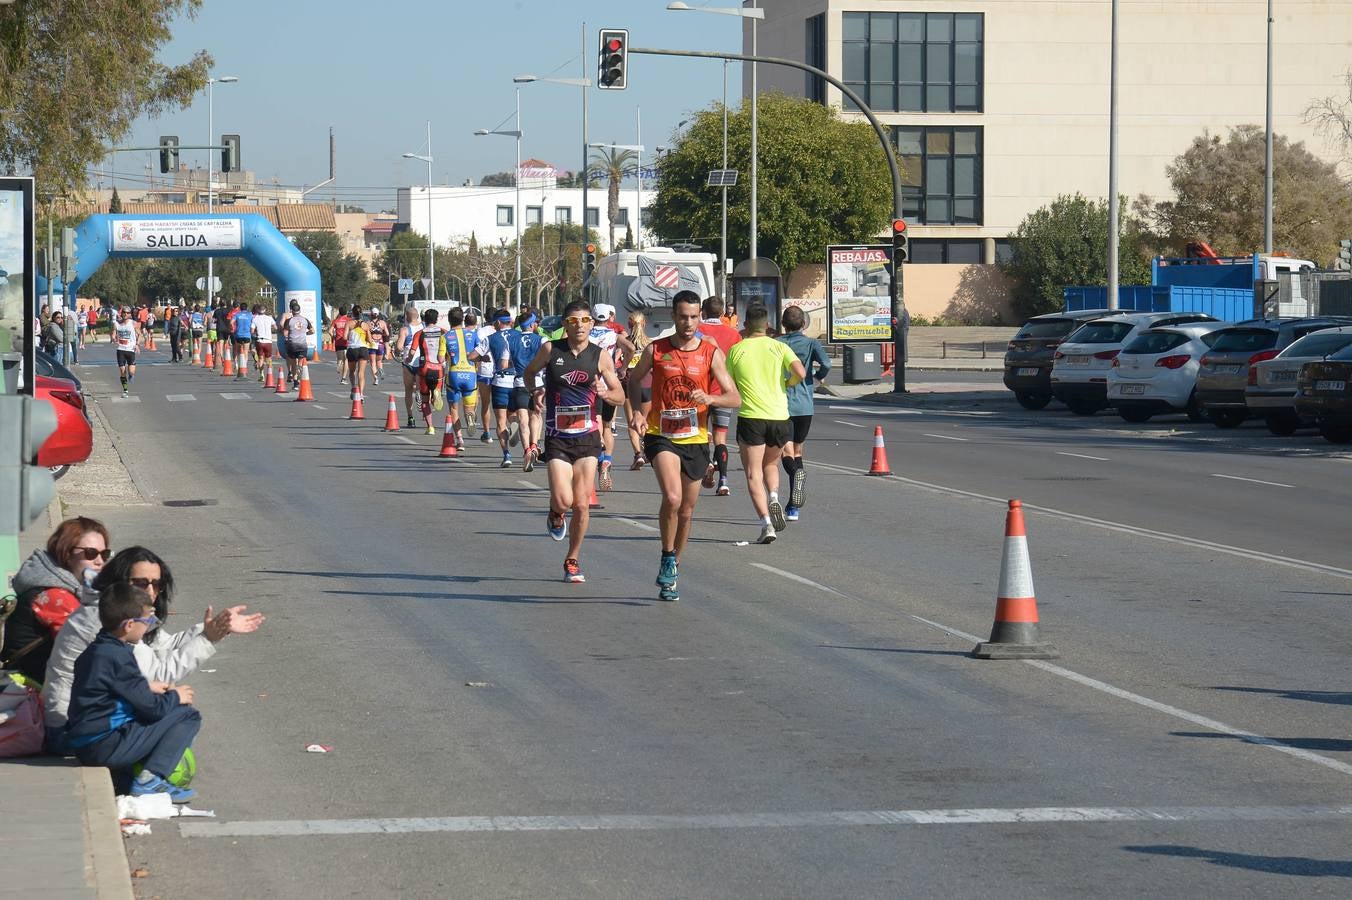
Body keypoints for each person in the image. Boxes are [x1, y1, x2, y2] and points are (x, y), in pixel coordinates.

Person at [43, 545, 265, 754]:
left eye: (156, 584)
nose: (150, 591)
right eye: (141, 583)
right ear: (120, 581)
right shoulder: (105, 620)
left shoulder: (115, 610)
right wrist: (207, 639)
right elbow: (159, 673)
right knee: (182, 714)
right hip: (70, 730)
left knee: (167, 707)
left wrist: (214, 628)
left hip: (89, 723)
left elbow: (163, 646)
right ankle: (150, 779)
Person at [627, 290, 740, 601]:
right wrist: (638, 411)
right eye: (682, 316)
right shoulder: (657, 349)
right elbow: (634, 380)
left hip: (695, 438)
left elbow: (734, 397)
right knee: (673, 497)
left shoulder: (710, 353)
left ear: (699, 317)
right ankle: (666, 554)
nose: (688, 322)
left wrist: (712, 398)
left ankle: (673, 566)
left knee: (687, 512)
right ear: (674, 317)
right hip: (660, 434)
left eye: (693, 317)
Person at [62, 582, 200, 802]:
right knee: (187, 714)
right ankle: (151, 780)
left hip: (85, 744)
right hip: (105, 746)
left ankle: (127, 775)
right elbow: (153, 710)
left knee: (157, 707)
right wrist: (176, 696)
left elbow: (106, 691)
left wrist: (147, 687)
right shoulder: (121, 657)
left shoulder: (95, 651)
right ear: (128, 625)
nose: (149, 626)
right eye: (146, 621)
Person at [523, 299, 626, 583]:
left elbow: (620, 395)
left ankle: (573, 559)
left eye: (584, 321)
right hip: (558, 437)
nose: (579, 326)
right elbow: (529, 373)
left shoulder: (600, 355)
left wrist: (605, 394)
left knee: (581, 504)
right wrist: (536, 392)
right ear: (564, 325)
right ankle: (556, 513)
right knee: (564, 500)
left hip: (588, 438)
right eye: (572, 321)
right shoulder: (550, 350)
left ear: (592, 324)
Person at [725, 304, 806, 544]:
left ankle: (766, 524)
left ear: (745, 324)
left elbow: (728, 383)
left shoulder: (736, 350)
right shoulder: (780, 347)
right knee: (771, 464)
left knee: (753, 473)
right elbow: (800, 372)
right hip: (779, 417)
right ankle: (773, 497)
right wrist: (788, 383)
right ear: (768, 325)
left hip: (752, 417)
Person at [2, 517, 109, 684]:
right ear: (67, 554)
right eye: (91, 553)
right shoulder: (55, 596)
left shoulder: (61, 585)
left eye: (105, 554)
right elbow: (86, 646)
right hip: (32, 692)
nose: (100, 561)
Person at [776, 306, 831, 521]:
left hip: (782, 404)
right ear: (804, 324)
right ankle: (793, 506)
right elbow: (826, 363)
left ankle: (793, 478)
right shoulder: (811, 344)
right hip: (805, 405)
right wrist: (817, 376)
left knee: (785, 451)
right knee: (798, 451)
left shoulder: (778, 344)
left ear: (783, 324)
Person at [697, 296, 743, 496]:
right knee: (720, 437)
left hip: (700, 392)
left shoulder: (697, 330)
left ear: (703, 312)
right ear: (723, 313)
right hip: (724, 392)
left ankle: (707, 462)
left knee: (700, 433)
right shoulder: (733, 334)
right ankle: (723, 480)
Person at [589, 304, 635, 490]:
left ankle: (599, 450)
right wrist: (623, 367)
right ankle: (607, 458)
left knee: (595, 419)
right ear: (609, 318)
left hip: (591, 383)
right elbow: (630, 348)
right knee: (609, 425)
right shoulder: (613, 336)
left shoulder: (586, 334)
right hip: (610, 383)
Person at [486, 308, 527, 468]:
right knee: (518, 415)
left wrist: (482, 357)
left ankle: (506, 455)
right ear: (510, 322)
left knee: (500, 421)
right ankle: (527, 450)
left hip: (500, 382)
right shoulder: (520, 336)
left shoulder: (490, 338)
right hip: (518, 382)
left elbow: (472, 355)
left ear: (497, 323)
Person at [442, 307, 481, 451]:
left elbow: (440, 358)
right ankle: (470, 417)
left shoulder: (445, 337)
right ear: (463, 320)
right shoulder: (473, 334)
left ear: (449, 320)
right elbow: (479, 354)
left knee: (453, 408)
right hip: (470, 374)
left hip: (453, 375)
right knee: (469, 407)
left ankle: (460, 439)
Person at [514, 310, 545, 471]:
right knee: (536, 415)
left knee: (522, 418)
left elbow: (505, 362)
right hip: (538, 382)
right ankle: (534, 445)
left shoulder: (513, 340)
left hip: (519, 382)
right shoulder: (542, 340)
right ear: (532, 325)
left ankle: (526, 449)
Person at [407, 308, 445, 434]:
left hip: (424, 369)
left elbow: (412, 352)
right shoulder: (443, 332)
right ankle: (437, 393)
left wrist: (408, 359)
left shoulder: (420, 333)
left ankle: (430, 427)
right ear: (437, 319)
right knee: (436, 392)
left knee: (424, 399)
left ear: (424, 320)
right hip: (439, 369)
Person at [624, 311, 653, 470]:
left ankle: (638, 454)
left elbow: (618, 362)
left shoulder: (625, 343)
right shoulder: (650, 343)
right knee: (645, 421)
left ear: (629, 324)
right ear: (644, 324)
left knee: (632, 422)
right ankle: (647, 447)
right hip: (648, 384)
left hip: (630, 385)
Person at [396, 303, 422, 429]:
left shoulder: (404, 330)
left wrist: (396, 350)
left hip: (408, 363)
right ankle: (420, 393)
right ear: (418, 317)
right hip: (421, 362)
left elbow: (399, 347)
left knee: (408, 391)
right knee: (422, 388)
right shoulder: (424, 328)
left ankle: (410, 417)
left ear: (406, 317)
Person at [278, 299, 314, 388]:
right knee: (300, 362)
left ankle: (295, 382)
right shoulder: (305, 320)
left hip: (292, 344)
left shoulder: (289, 320)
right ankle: (300, 369)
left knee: (293, 363)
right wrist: (305, 333)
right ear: (299, 310)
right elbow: (312, 331)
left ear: (292, 311)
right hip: (302, 345)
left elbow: (285, 333)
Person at [474, 311, 498, 443]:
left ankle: (487, 432)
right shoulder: (504, 332)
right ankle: (505, 427)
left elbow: (476, 351)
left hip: (484, 371)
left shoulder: (481, 332)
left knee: (485, 403)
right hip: (500, 370)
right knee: (501, 404)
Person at [344, 305, 373, 401]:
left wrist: (350, 336)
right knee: (361, 373)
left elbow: (344, 337)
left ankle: (353, 387)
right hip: (363, 349)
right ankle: (361, 394)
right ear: (361, 314)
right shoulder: (365, 325)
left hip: (352, 349)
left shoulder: (349, 323)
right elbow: (369, 339)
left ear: (352, 313)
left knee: (352, 371)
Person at [112, 306, 138, 397]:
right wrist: (113, 338)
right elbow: (113, 334)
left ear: (130, 314)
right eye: (124, 312)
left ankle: (131, 375)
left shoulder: (133, 323)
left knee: (131, 371)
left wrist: (137, 344)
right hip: (121, 349)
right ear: (121, 313)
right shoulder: (116, 324)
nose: (125, 314)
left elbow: (138, 334)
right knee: (122, 371)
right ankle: (125, 390)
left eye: (127, 313)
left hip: (130, 349)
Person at [252, 302, 277, 380]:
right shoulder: (269, 318)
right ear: (265, 310)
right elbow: (275, 327)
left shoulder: (255, 318)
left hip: (260, 340)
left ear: (258, 310)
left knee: (260, 358)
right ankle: (269, 374)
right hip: (268, 341)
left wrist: (256, 332)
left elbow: (252, 331)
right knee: (269, 359)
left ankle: (261, 375)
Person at [231, 301, 254, 380]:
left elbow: (231, 322)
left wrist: (233, 328)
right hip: (247, 335)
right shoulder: (250, 315)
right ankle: (245, 365)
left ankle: (237, 364)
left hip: (238, 335)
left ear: (240, 308)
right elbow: (253, 324)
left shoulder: (237, 314)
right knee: (246, 351)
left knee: (238, 351)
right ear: (247, 308)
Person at [369, 309, 391, 386]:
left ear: (371, 315)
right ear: (378, 314)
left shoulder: (368, 323)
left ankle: (376, 379)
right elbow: (387, 333)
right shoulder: (382, 323)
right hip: (380, 343)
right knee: (379, 361)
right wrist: (381, 334)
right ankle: (381, 369)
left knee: (373, 363)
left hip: (372, 343)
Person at [330, 306, 352, 379]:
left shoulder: (336, 321)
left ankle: (339, 364)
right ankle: (344, 378)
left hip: (338, 341)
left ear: (339, 312)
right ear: (346, 312)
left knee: (340, 359)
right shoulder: (349, 320)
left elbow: (330, 331)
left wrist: (333, 337)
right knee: (346, 359)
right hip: (347, 342)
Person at [211, 300, 231, 369]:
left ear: (220, 304)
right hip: (227, 329)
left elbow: (213, 320)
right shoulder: (229, 311)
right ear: (226, 304)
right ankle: (227, 357)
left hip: (219, 328)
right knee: (226, 344)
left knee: (220, 344)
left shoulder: (217, 311)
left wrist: (217, 320)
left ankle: (222, 359)